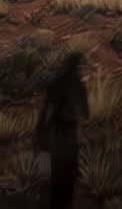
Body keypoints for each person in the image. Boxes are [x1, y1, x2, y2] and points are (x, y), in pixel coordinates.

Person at [35, 52, 89, 209]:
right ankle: (65, 203)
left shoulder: (57, 82)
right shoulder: (78, 85)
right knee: (68, 170)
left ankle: (56, 202)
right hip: (69, 132)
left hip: (57, 131)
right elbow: (85, 112)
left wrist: (42, 129)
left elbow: (48, 110)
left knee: (57, 168)